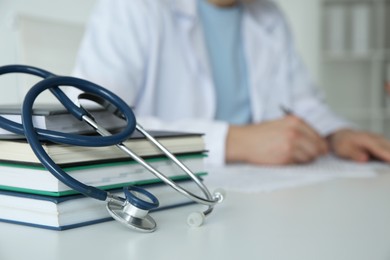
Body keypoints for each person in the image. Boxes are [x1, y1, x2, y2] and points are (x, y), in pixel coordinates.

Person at [69, 0, 390, 166]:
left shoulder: (268, 15)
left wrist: (337, 133)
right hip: (171, 193)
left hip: (262, 193)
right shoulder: (133, 7)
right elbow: (95, 123)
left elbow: (301, 100)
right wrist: (234, 142)